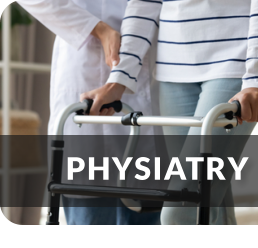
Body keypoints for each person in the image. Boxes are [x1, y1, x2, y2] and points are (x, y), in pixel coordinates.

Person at [82, 0, 258, 225]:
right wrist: (118, 80)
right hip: (173, 72)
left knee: (182, 211)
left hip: (236, 63)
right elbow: (143, 4)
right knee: (210, 203)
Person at [16, 0, 161, 225]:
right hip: (82, 59)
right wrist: (97, 28)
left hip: (144, 58)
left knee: (146, 202)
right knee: (89, 205)